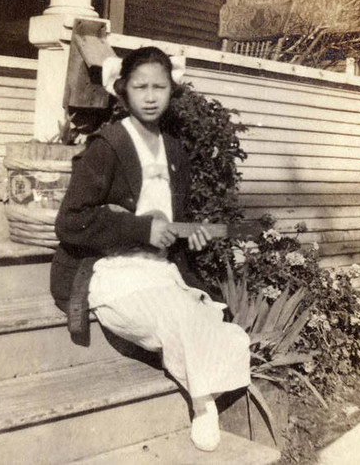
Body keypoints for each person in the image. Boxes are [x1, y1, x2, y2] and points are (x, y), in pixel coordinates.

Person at [50, 46, 250, 452]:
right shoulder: (107, 146)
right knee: (181, 319)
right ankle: (202, 404)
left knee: (221, 326)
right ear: (122, 91)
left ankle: (195, 380)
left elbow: (170, 222)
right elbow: (70, 221)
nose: (151, 95)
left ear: (171, 90)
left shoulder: (175, 151)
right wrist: (142, 229)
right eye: (140, 86)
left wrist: (186, 236)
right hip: (112, 272)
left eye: (160, 86)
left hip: (159, 271)